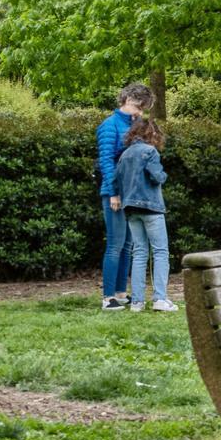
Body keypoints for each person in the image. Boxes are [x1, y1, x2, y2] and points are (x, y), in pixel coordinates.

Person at [96, 82, 151, 311]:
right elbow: (106, 162)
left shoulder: (135, 124)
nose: (141, 112)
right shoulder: (109, 126)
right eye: (139, 107)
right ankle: (108, 296)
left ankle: (120, 292)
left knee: (128, 244)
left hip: (132, 192)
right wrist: (113, 193)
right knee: (115, 244)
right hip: (115, 193)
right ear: (128, 100)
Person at [114, 115, 175, 312]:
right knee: (160, 251)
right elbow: (157, 176)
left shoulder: (125, 154)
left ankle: (137, 302)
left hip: (130, 209)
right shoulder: (150, 152)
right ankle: (159, 298)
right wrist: (164, 175)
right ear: (150, 133)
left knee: (139, 253)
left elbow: (117, 181)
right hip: (151, 207)